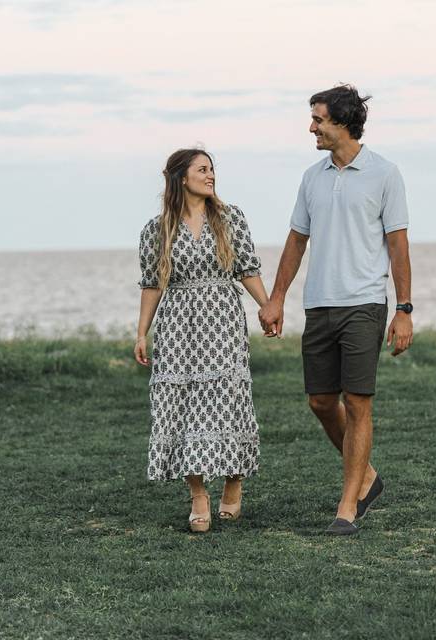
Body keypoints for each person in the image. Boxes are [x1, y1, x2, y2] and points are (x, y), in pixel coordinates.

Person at [258, 85, 413, 536]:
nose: (312, 128)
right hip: (319, 304)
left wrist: (403, 309)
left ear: (343, 121)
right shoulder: (313, 177)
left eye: (318, 120)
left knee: (357, 402)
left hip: (364, 303)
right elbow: (295, 240)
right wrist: (276, 297)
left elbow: (397, 245)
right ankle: (366, 476)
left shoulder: (385, 173)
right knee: (321, 401)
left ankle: (349, 504)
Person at [134, 148, 272, 533]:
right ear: (182, 178)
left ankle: (234, 479)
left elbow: (247, 268)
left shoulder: (230, 219)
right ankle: (198, 494)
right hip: (178, 324)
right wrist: (141, 332)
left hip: (222, 319)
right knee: (180, 405)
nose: (211, 176)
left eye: (212, 170)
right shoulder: (157, 228)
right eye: (202, 170)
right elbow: (151, 284)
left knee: (228, 400)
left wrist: (268, 307)